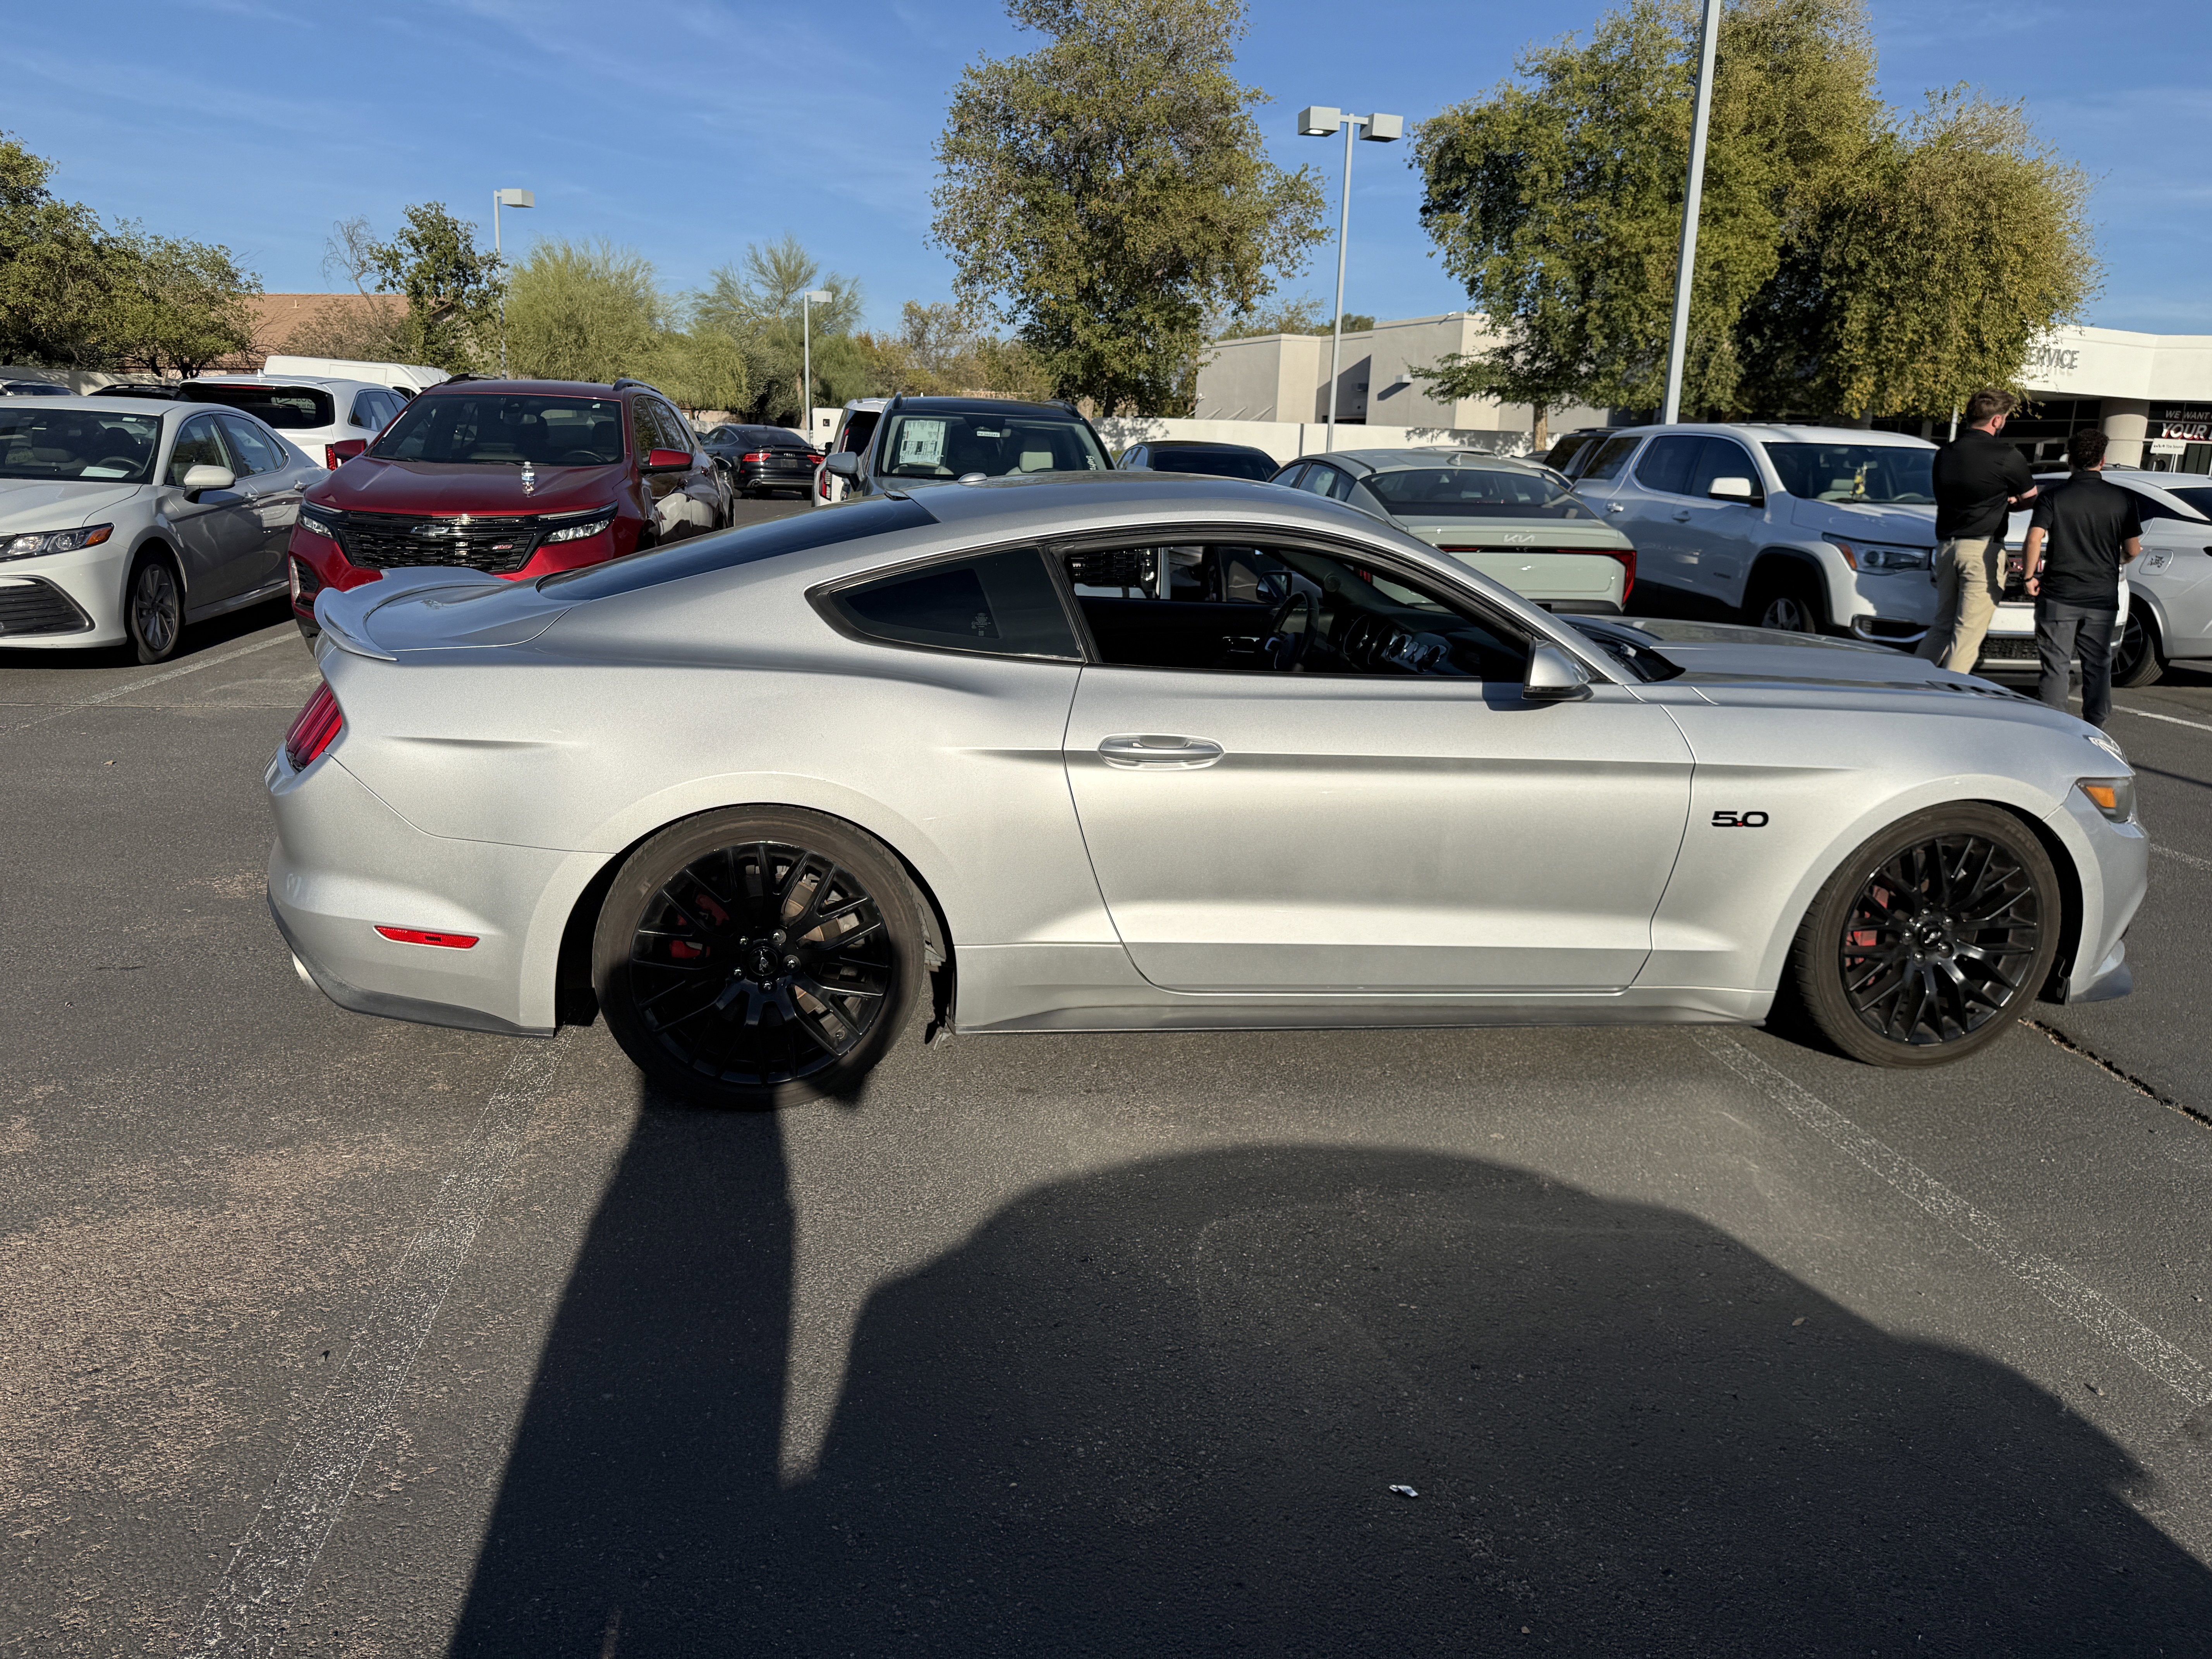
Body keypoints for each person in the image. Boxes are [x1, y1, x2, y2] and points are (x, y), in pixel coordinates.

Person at [2024, 427, 2140, 729]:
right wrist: (2117, 560)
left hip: (2059, 592)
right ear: (2102, 461)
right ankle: (2096, 726)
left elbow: (2035, 538)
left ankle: (2055, 726)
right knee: (2099, 664)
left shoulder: (2054, 497)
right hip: (2102, 595)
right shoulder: (2122, 499)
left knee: (2056, 665)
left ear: (2070, 460)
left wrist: (2029, 576)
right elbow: (2133, 549)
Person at [1919, 388, 2037, 672]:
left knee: (1942, 626)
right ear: (1997, 421)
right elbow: (2032, 497)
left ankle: (1909, 684)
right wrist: (2008, 504)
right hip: (1982, 550)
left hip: (1947, 547)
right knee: (1967, 633)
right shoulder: (2007, 455)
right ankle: (1947, 700)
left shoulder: (1945, 453)